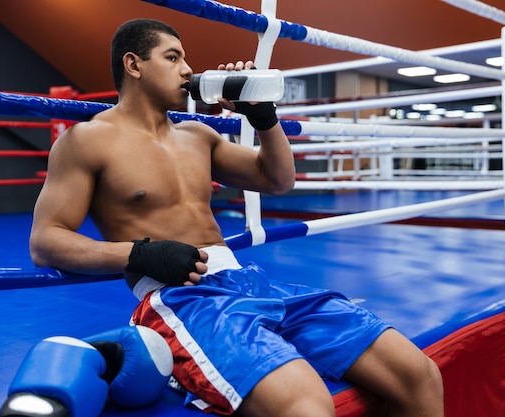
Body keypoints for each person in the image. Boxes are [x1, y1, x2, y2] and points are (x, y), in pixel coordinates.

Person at [29, 18, 444, 417]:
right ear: (134, 65)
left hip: (252, 282)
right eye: (172, 58)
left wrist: (263, 118)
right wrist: (137, 254)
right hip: (185, 298)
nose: (188, 69)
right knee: (306, 407)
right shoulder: (86, 140)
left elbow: (277, 179)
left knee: (419, 374)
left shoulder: (198, 135)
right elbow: (46, 242)